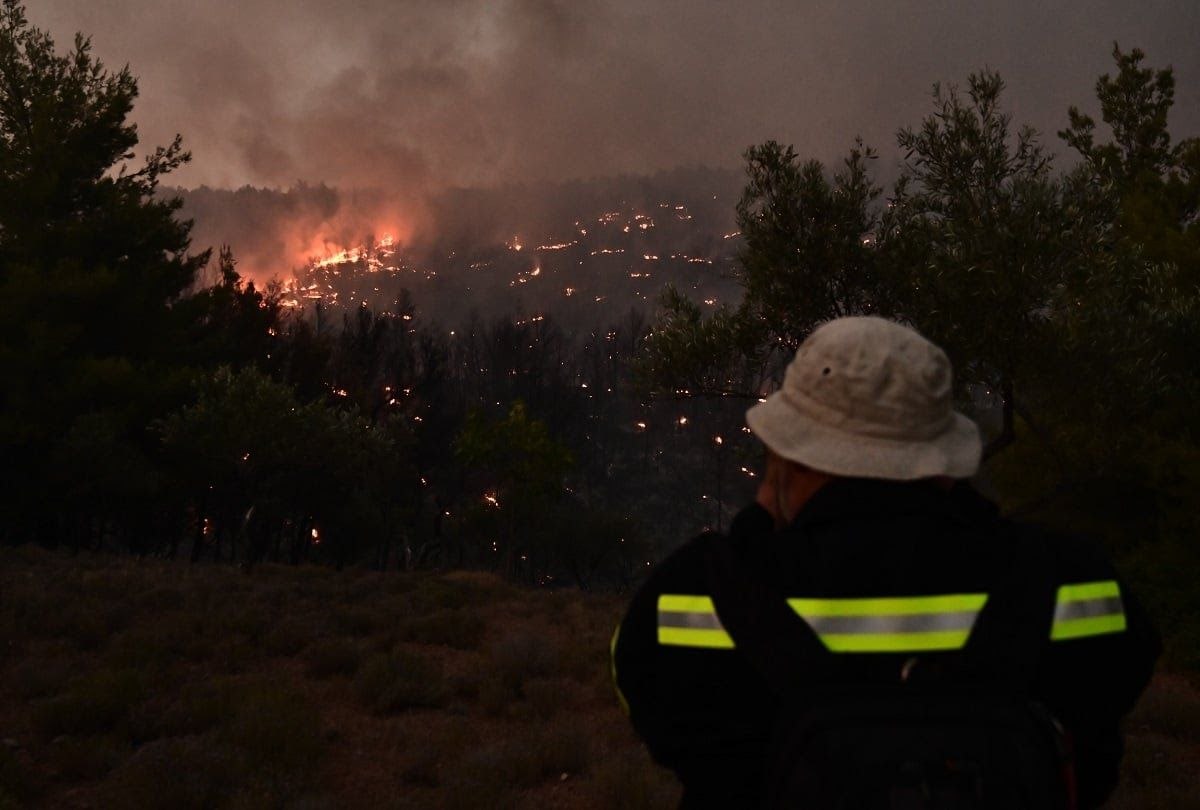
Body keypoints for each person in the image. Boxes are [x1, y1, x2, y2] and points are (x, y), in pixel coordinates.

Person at [610, 316, 1159, 809]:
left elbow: (649, 701)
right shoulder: (1072, 584)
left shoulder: (699, 599)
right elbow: (1105, 721)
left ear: (789, 459)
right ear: (945, 463)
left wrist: (756, 530)